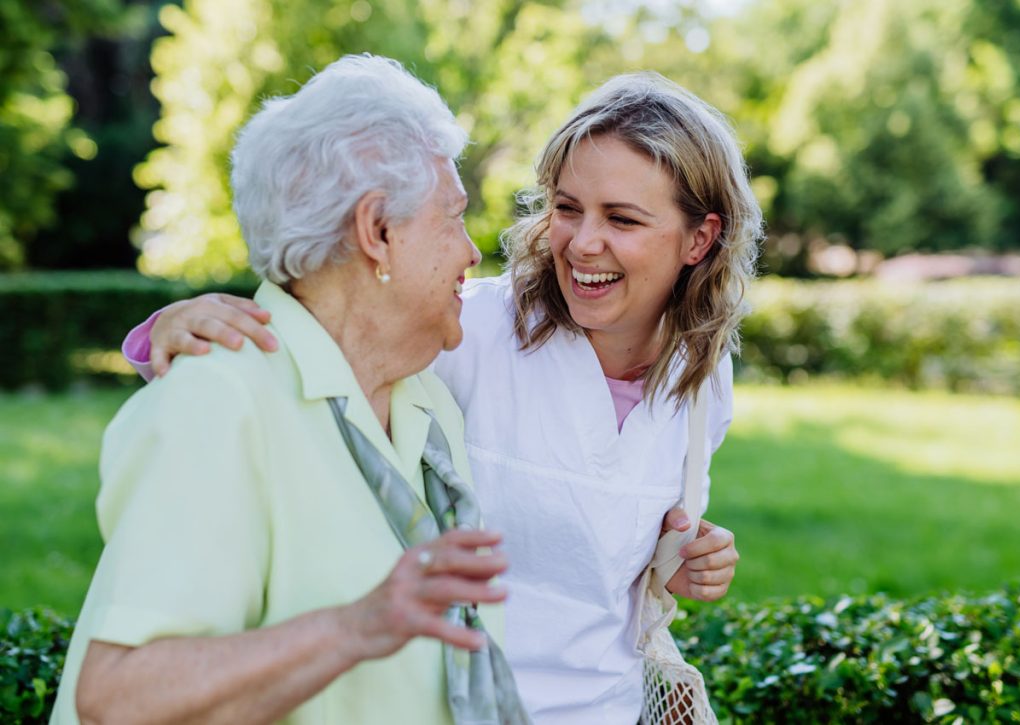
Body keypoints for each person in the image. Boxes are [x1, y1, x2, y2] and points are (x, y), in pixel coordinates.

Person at [123, 71, 760, 723]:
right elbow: (306, 366)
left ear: (699, 239)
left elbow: (612, 550)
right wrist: (176, 330)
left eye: (621, 218)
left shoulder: (703, 377)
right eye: (567, 208)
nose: (581, 241)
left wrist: (675, 559)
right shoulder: (468, 330)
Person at [52, 55, 530, 725]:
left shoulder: (427, 403)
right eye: (452, 217)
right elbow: (120, 697)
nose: (471, 251)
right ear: (376, 232)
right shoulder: (219, 397)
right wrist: (360, 625)